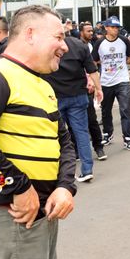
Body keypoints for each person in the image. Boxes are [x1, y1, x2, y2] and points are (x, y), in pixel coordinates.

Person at [0, 5, 77, 259]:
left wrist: (65, 187)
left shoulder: (42, 84)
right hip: (10, 212)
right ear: (31, 34)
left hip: (41, 211)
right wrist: (17, 187)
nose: (65, 46)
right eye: (58, 38)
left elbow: (63, 140)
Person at [44, 31, 103, 183]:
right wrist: (99, 88)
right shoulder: (78, 45)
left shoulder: (47, 45)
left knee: (55, 136)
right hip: (77, 95)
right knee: (81, 133)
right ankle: (87, 169)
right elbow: (92, 70)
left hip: (54, 97)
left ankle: (57, 172)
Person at [92, 16, 130, 151]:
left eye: (117, 27)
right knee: (106, 110)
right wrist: (93, 81)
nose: (116, 29)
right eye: (113, 27)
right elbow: (93, 62)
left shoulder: (124, 41)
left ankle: (128, 138)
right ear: (106, 28)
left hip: (122, 80)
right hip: (106, 82)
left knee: (125, 109)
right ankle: (108, 133)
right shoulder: (99, 43)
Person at [78, 22, 106, 161]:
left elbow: (91, 68)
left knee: (91, 119)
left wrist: (94, 84)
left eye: (92, 31)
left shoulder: (91, 45)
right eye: (88, 31)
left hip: (88, 87)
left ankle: (99, 147)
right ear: (81, 32)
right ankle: (77, 150)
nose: (91, 33)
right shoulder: (76, 46)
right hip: (77, 87)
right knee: (74, 123)